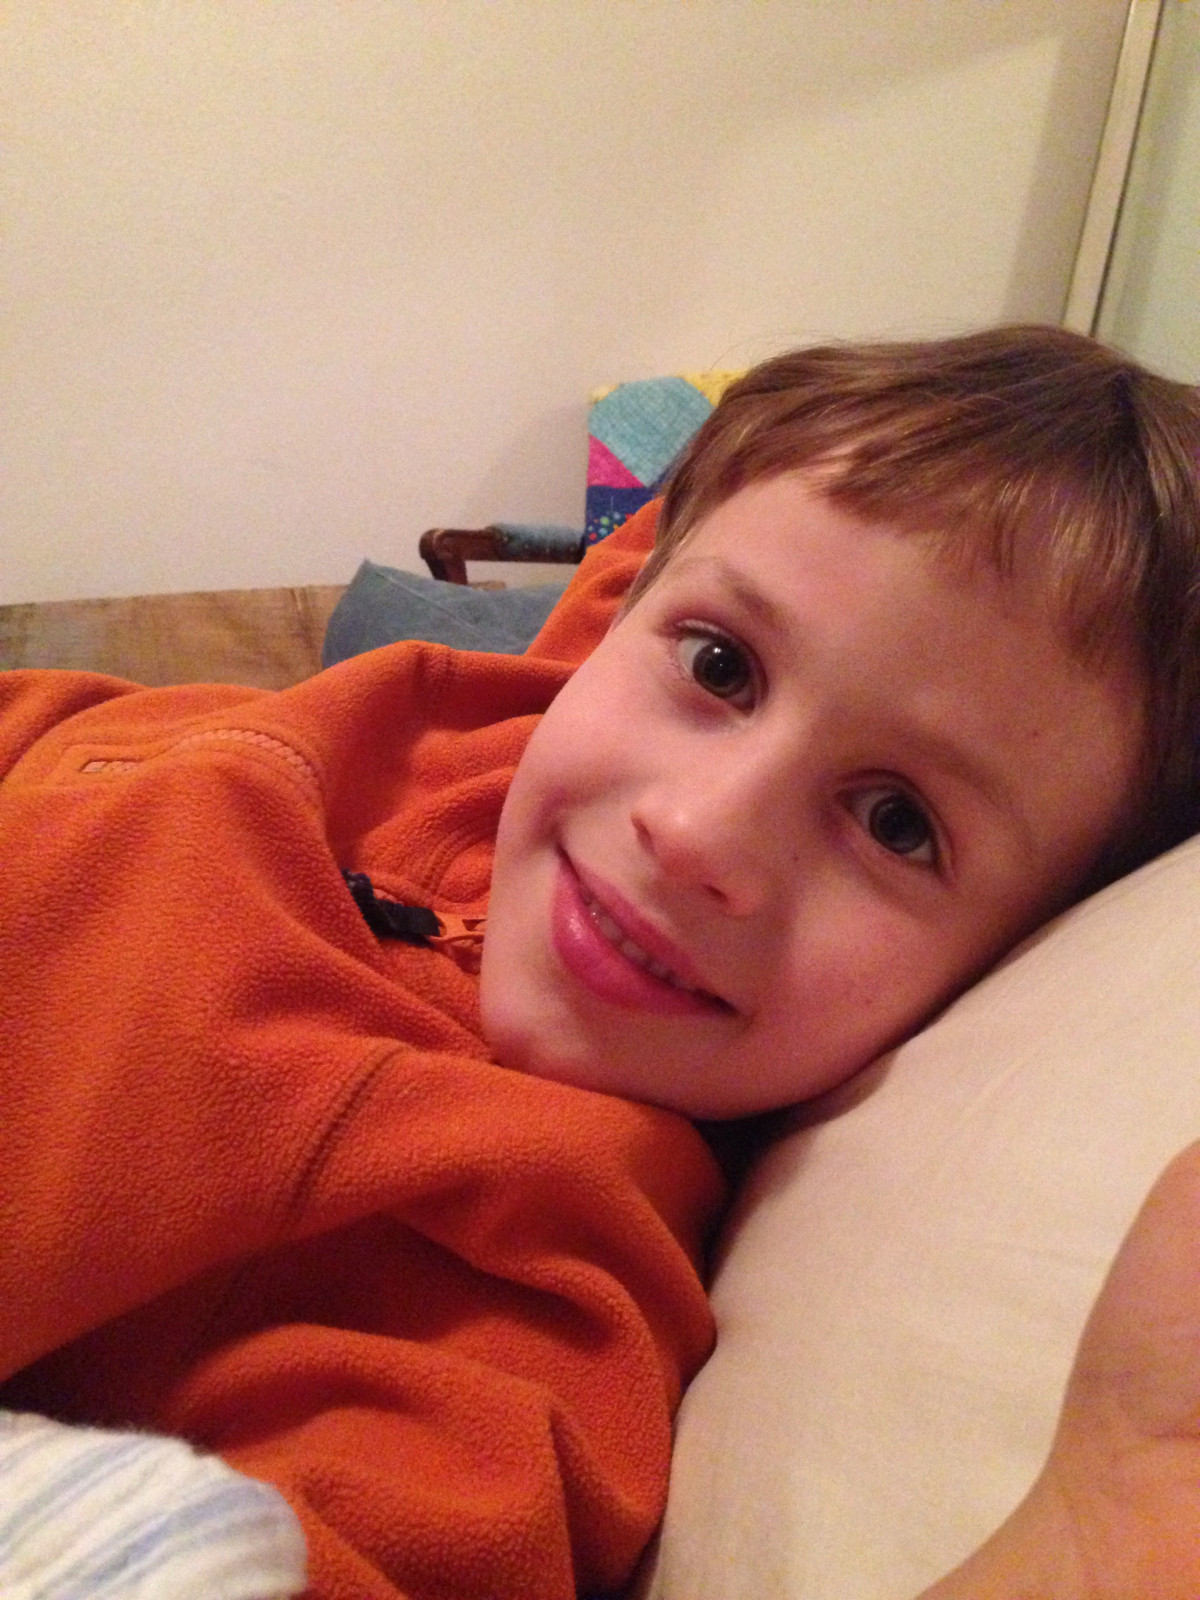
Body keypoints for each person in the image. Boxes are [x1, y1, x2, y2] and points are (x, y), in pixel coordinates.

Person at [0, 324, 1198, 1599]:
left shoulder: (551, 1276)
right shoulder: (465, 724)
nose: (692, 834)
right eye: (722, 667)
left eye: (897, 821)